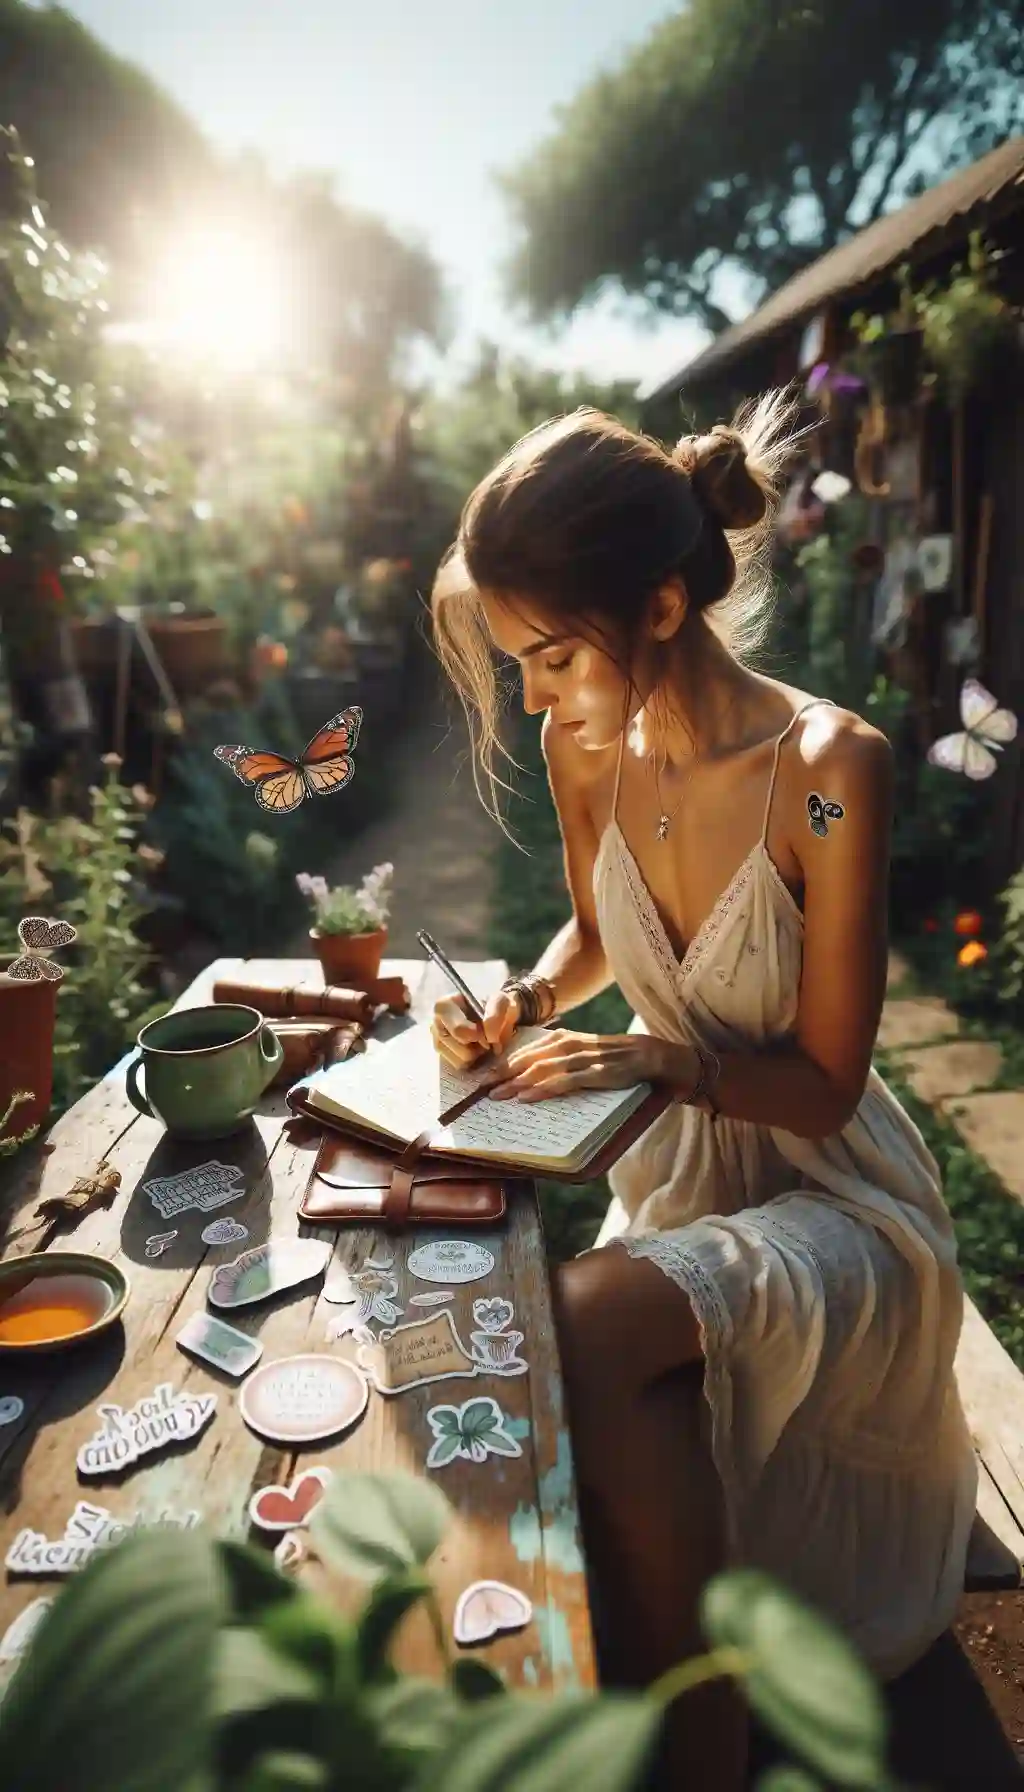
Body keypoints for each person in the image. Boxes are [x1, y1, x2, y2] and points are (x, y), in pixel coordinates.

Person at [428, 396, 976, 1789]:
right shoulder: (580, 751)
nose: (539, 700)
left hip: (840, 1193)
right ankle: (706, 1736)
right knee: (595, 1368)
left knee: (587, 1324)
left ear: (662, 602)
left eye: (551, 658)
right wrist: (528, 1002)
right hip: (682, 1182)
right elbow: (605, 937)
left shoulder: (832, 775)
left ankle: (696, 1749)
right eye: (521, 668)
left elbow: (826, 1081)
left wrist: (664, 1059)